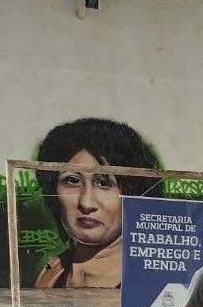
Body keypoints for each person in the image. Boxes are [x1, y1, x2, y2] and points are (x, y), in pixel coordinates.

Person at [33, 118, 162, 289]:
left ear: (133, 193)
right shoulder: (52, 273)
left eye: (104, 183)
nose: (86, 203)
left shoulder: (148, 280)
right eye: (72, 180)